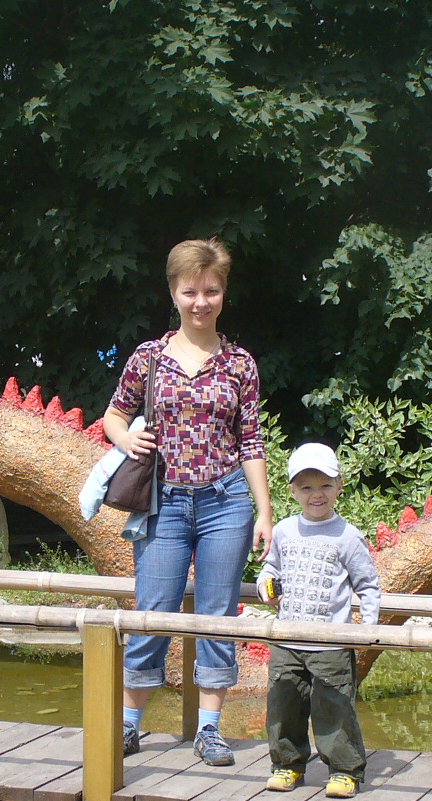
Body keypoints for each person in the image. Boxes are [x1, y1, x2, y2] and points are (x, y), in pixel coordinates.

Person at [103, 238, 273, 766]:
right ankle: (128, 725)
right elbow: (114, 414)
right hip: (164, 502)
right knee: (153, 610)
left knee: (218, 615)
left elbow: (251, 441)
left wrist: (265, 511)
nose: (201, 301)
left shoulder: (240, 364)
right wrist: (125, 439)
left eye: (211, 291)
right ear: (174, 293)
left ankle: (210, 730)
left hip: (226, 501)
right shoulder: (149, 358)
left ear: (224, 293)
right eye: (191, 291)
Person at [256, 442, 380, 798]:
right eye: (307, 487)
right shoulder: (284, 531)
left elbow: (368, 585)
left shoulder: (348, 536)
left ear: (340, 486)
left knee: (333, 708)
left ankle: (344, 770)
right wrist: (266, 589)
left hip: (330, 643)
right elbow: (270, 570)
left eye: (325, 485)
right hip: (287, 639)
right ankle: (287, 765)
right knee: (283, 705)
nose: (317, 494)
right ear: (293, 490)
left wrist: (368, 628)